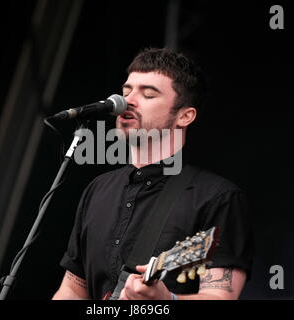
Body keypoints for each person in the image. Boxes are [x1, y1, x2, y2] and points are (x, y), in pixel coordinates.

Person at [52, 47, 254, 300]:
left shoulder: (218, 198)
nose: (128, 100)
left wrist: (166, 300)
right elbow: (72, 288)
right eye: (126, 92)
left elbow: (220, 296)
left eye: (148, 94)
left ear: (185, 116)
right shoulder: (98, 189)